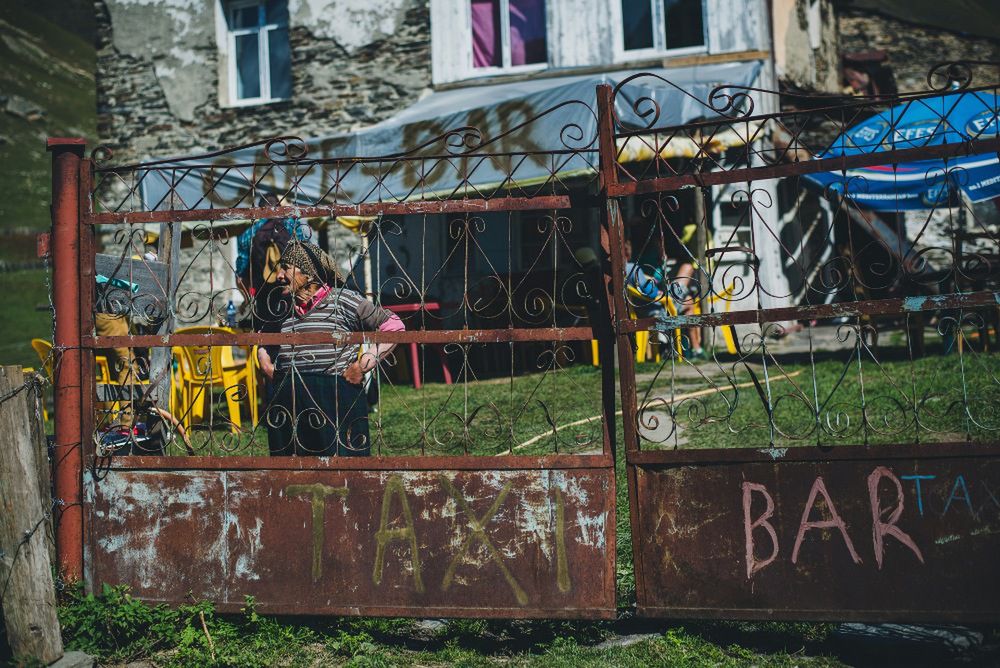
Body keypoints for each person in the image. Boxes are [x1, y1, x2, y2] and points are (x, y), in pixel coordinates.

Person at [257, 241, 404, 456]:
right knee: (293, 477)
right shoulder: (281, 305)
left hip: (335, 399)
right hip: (291, 401)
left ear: (309, 274)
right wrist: (265, 363)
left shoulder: (344, 300)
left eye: (286, 267)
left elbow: (394, 326)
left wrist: (363, 365)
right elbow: (263, 337)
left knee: (342, 476)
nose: (279, 275)